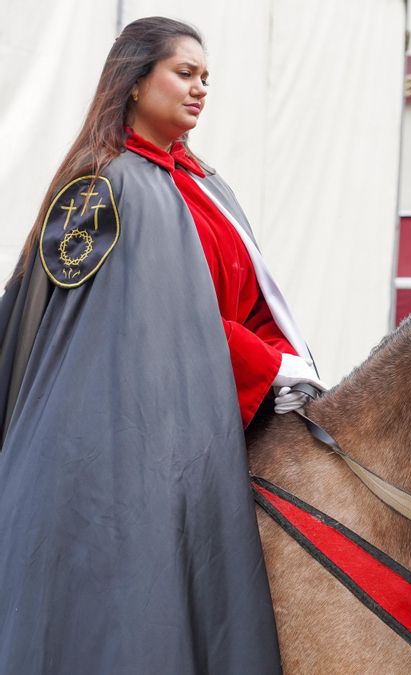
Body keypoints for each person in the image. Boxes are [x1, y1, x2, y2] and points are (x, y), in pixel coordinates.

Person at [0, 18, 325, 672]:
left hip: (218, 423)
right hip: (123, 441)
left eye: (207, 78)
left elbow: (250, 300)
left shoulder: (207, 187)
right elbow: (150, 326)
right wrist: (267, 365)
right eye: (184, 73)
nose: (200, 89)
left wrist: (283, 361)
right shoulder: (105, 185)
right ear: (135, 80)